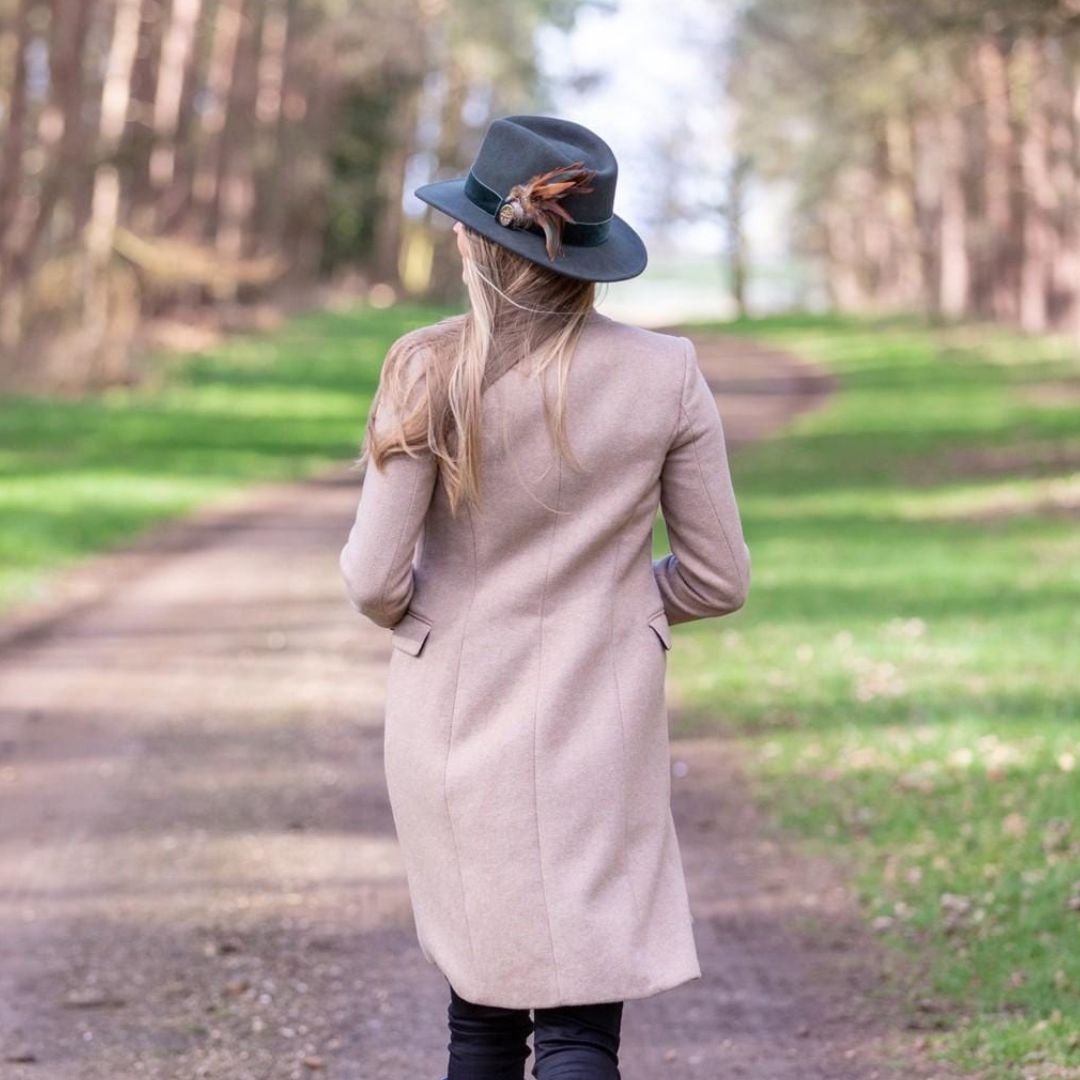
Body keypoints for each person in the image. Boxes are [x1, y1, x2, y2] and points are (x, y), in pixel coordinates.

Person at [338, 114, 750, 1080]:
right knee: (578, 1030)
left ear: (473, 238)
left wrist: (440, 621)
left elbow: (371, 579)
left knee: (479, 1016)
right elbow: (718, 576)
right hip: (599, 720)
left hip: (451, 719)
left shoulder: (424, 365)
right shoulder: (667, 375)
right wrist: (620, 607)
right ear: (593, 252)